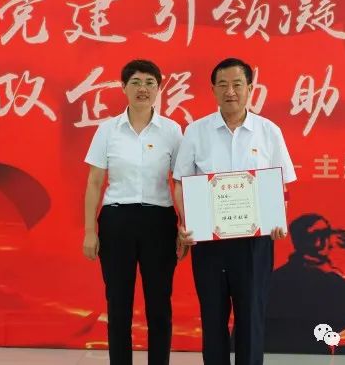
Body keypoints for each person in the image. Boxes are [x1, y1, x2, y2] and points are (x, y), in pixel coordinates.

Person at [173, 58, 297, 365]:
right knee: (213, 316)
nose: (230, 91)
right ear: (213, 90)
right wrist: (185, 222)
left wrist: (278, 219)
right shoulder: (196, 131)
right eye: (223, 85)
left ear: (250, 89)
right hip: (208, 242)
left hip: (255, 243)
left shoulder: (268, 132)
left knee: (251, 316)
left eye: (237, 84)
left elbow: (282, 185)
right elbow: (180, 183)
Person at [82, 59, 182, 365]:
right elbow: (95, 182)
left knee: (159, 305)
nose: (143, 89)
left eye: (150, 83)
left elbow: (179, 182)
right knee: (118, 304)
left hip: (159, 222)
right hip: (117, 221)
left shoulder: (172, 131)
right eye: (136, 82)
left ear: (159, 88)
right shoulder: (107, 130)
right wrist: (89, 231)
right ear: (124, 87)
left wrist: (184, 225)